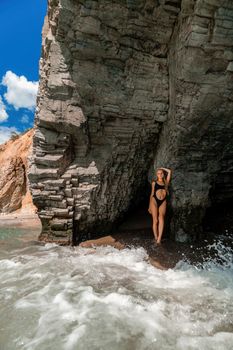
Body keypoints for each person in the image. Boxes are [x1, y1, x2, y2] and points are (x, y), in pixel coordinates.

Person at [148, 167, 172, 244]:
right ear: (156, 175)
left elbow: (169, 171)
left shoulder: (166, 183)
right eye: (158, 173)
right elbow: (151, 194)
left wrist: (162, 168)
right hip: (154, 200)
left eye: (161, 173)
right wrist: (149, 206)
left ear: (163, 174)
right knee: (155, 220)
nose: (160, 174)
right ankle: (155, 237)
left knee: (161, 218)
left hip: (163, 201)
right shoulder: (154, 183)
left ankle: (159, 239)